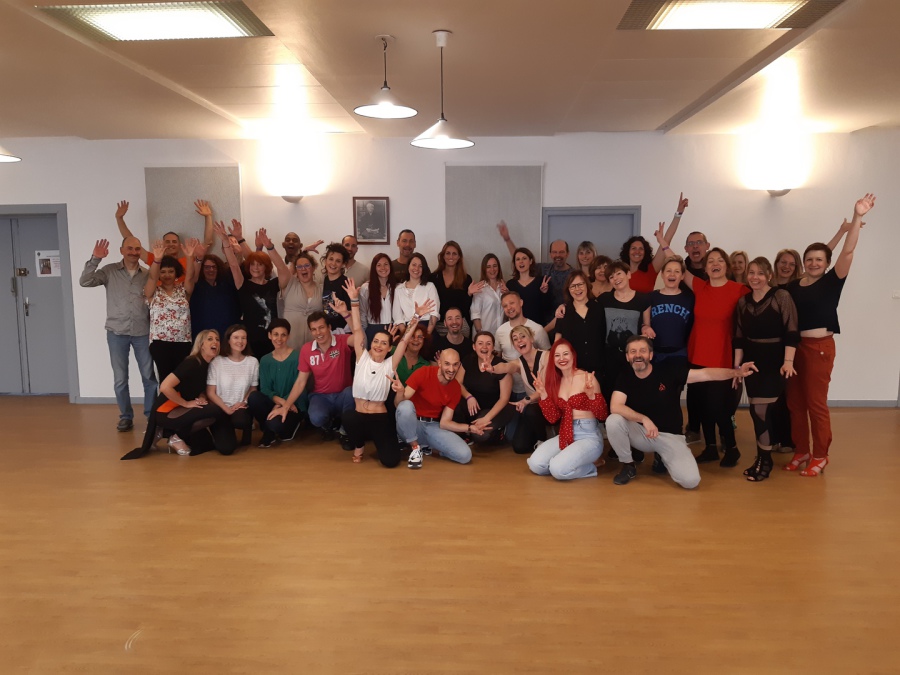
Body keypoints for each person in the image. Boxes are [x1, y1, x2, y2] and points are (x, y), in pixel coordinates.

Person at [784, 193, 875, 477]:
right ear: (804, 262)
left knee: (815, 404)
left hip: (819, 348)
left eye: (819, 260)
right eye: (809, 259)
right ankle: (802, 450)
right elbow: (825, 250)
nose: (814, 263)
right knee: (795, 404)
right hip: (794, 348)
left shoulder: (832, 281)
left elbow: (846, 253)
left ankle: (821, 455)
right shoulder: (795, 285)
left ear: (826, 263)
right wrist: (838, 232)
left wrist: (856, 218)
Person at [607, 336, 758, 488]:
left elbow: (706, 374)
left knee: (690, 481)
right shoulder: (625, 376)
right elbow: (615, 406)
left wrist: (736, 372)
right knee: (614, 421)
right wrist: (644, 419)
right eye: (633, 351)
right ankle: (628, 465)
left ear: (651, 355)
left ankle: (662, 456)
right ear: (627, 357)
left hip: (670, 436)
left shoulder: (668, 371)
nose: (638, 355)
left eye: (642, 351)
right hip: (642, 433)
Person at [342, 279, 430, 466]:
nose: (378, 345)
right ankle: (359, 445)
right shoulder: (362, 358)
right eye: (376, 341)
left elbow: (404, 341)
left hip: (379, 418)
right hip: (359, 416)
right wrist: (354, 300)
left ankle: (379, 442)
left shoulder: (390, 364)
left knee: (391, 461)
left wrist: (416, 317)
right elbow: (357, 328)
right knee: (348, 416)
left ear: (390, 348)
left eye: (384, 343)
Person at [79, 236, 157, 432]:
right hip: (116, 332)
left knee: (149, 377)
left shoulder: (147, 274)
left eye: (137, 249)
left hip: (142, 332)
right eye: (129, 248)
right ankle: (126, 417)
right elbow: (85, 281)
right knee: (120, 379)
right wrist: (95, 259)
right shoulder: (109, 271)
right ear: (122, 250)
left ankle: (151, 415)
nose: (133, 252)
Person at [683, 247, 751, 467]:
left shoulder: (739, 290)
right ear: (705, 267)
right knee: (703, 406)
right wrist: (663, 242)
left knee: (718, 408)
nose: (715, 264)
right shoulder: (700, 287)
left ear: (727, 266)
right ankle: (710, 448)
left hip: (722, 358)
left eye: (720, 260)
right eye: (710, 260)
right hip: (697, 356)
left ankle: (732, 448)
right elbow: (677, 266)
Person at [733, 257, 800, 482]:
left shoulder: (781, 296)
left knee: (759, 411)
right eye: (751, 272)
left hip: (774, 361)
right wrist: (737, 369)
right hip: (752, 363)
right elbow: (739, 338)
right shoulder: (742, 302)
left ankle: (765, 460)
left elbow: (792, 331)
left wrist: (788, 361)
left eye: (760, 273)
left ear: (769, 275)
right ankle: (763, 458)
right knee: (757, 411)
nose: (755, 277)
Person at [120, 329, 226, 460]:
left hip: (180, 409)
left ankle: (164, 432)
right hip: (166, 411)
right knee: (215, 410)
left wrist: (202, 397)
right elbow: (165, 386)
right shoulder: (192, 362)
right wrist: (186, 403)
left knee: (206, 443)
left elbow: (198, 388)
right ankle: (174, 437)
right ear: (201, 345)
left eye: (217, 339)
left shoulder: (208, 365)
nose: (215, 342)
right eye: (210, 339)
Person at [268, 308, 360, 444]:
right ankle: (328, 426)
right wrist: (286, 406)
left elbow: (360, 339)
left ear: (329, 327)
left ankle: (344, 429)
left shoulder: (342, 340)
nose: (318, 333)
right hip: (320, 396)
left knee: (352, 392)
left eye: (321, 328)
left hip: (343, 395)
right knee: (316, 418)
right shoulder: (306, 349)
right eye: (314, 329)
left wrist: (346, 315)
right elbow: (301, 381)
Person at [527, 340, 608, 481]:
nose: (562, 358)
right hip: (565, 434)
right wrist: (543, 394)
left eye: (565, 354)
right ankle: (566, 463)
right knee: (536, 464)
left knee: (558, 469)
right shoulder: (555, 382)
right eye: (557, 355)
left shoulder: (587, 378)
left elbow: (602, 415)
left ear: (573, 355)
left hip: (588, 435)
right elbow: (553, 418)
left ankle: (592, 465)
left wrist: (592, 396)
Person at [392, 349, 486, 469]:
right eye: (447, 364)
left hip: (433, 426)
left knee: (465, 455)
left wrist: (469, 428)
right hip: (412, 424)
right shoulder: (424, 372)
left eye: (455, 364)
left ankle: (427, 447)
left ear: (459, 365)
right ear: (440, 363)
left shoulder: (456, 388)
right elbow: (398, 405)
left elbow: (445, 423)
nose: (451, 369)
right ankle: (415, 447)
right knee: (405, 405)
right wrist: (400, 392)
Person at [216, 223, 291, 358]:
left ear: (266, 267)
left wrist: (270, 247)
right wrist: (225, 242)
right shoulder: (243, 284)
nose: (255, 268)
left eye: (260, 264)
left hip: (272, 340)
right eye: (252, 264)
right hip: (249, 341)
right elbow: (233, 265)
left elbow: (283, 270)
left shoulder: (273, 284)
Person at [595, 261, 651, 405]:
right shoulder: (604, 299)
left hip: (632, 355)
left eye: (619, 274)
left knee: (633, 392)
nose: (616, 278)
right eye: (611, 277)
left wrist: (646, 328)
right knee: (609, 392)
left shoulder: (643, 300)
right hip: (609, 355)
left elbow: (646, 326)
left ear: (628, 275)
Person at [144, 239, 197, 384]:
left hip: (183, 341)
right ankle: (164, 400)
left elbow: (190, 276)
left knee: (181, 379)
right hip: (160, 343)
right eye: (163, 272)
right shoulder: (153, 292)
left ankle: (181, 400)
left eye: (171, 271)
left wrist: (190, 257)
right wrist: (157, 260)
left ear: (176, 273)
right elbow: (152, 277)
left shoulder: (183, 290)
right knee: (165, 379)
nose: (167, 275)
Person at [114, 198, 214, 274]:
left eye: (174, 242)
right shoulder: (155, 260)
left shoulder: (188, 260)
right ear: (163, 245)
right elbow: (130, 240)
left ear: (180, 245)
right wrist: (119, 219)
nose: (171, 244)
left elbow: (207, 242)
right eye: (167, 242)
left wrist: (208, 216)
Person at [247, 319, 303, 448]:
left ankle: (287, 427)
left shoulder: (298, 357)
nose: (279, 339)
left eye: (283, 335)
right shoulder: (265, 360)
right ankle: (269, 431)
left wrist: (286, 404)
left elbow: (300, 385)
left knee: (277, 426)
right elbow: (265, 389)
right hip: (275, 402)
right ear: (269, 335)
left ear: (288, 336)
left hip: (294, 404)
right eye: (276, 334)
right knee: (254, 397)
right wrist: (280, 402)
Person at [620, 193, 689, 293]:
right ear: (628, 251)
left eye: (641, 249)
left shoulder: (651, 269)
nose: (637, 252)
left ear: (645, 252)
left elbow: (667, 240)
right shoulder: (620, 272)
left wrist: (678, 214)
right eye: (633, 248)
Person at [454, 332, 514, 445]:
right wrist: (469, 397)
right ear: (474, 347)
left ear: (493, 347)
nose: (484, 347)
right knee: (454, 404)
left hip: (494, 408)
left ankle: (498, 432)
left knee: (480, 436)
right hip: (473, 405)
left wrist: (486, 418)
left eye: (488, 344)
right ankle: (465, 434)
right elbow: (457, 383)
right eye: (480, 343)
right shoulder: (468, 360)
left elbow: (504, 399)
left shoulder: (501, 365)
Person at [206, 324, 259, 452]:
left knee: (241, 421)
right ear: (228, 340)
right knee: (226, 449)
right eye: (236, 337)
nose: (240, 341)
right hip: (220, 408)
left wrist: (243, 402)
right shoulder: (217, 361)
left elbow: (253, 388)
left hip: (240, 407)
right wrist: (227, 409)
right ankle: (223, 431)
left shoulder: (252, 362)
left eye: (243, 338)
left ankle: (245, 429)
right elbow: (210, 392)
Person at [497, 221, 572, 310]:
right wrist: (507, 239)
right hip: (547, 317)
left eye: (561, 252)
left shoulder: (574, 274)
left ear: (567, 254)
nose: (558, 255)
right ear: (550, 254)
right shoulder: (544, 269)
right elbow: (521, 260)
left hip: (567, 315)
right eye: (554, 252)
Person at [494, 291, 552, 399]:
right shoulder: (500, 331)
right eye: (505, 306)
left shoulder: (537, 329)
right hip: (509, 388)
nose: (509, 308)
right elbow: (498, 356)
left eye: (512, 303)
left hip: (534, 389)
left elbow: (548, 357)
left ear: (521, 302)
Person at [553, 270, 604, 375]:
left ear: (587, 285)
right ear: (568, 290)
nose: (577, 289)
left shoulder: (599, 307)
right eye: (573, 286)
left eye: (580, 284)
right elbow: (557, 342)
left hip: (598, 368)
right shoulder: (563, 311)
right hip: (572, 368)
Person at [188, 244, 240, 340]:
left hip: (227, 334)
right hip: (202, 334)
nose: (211, 270)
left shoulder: (227, 285)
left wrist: (238, 254)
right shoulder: (196, 286)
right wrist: (199, 258)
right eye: (207, 267)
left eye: (214, 267)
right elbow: (192, 276)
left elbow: (236, 269)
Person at [281, 251, 323, 350]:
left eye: (307, 265)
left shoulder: (322, 288)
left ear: (313, 267)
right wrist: (270, 247)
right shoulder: (289, 284)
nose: (303, 268)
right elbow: (280, 267)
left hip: (315, 341)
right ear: (295, 270)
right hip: (291, 340)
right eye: (299, 267)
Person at [392, 252, 440, 335]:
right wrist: (406, 336)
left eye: (420, 266)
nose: (416, 268)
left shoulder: (430, 286)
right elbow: (398, 317)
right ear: (408, 266)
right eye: (414, 265)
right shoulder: (399, 289)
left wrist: (426, 335)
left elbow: (434, 314)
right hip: (406, 329)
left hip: (426, 328)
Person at [431, 240, 474, 330]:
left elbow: (466, 308)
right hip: (439, 324)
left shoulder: (466, 279)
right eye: (448, 253)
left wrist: (469, 294)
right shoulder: (433, 278)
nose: (451, 257)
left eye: (454, 254)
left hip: (459, 324)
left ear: (459, 257)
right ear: (443, 256)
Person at [359, 252, 399, 346]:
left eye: (386, 264)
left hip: (392, 330)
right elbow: (363, 313)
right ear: (374, 268)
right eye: (379, 265)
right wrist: (364, 332)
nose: (383, 268)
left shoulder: (398, 287)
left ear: (390, 266)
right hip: (373, 330)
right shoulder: (366, 288)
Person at [504, 245, 549, 325]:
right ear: (515, 263)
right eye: (518, 259)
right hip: (517, 327)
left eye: (524, 258)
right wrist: (506, 295)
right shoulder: (510, 284)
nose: (521, 261)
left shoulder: (541, 282)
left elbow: (547, 308)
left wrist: (544, 293)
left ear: (530, 261)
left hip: (537, 326)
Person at [470, 253, 507, 335]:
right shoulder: (480, 288)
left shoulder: (504, 287)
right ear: (484, 269)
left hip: (500, 335)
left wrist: (507, 295)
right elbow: (475, 315)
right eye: (488, 267)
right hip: (483, 335)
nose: (492, 269)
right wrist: (480, 333)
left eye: (495, 266)